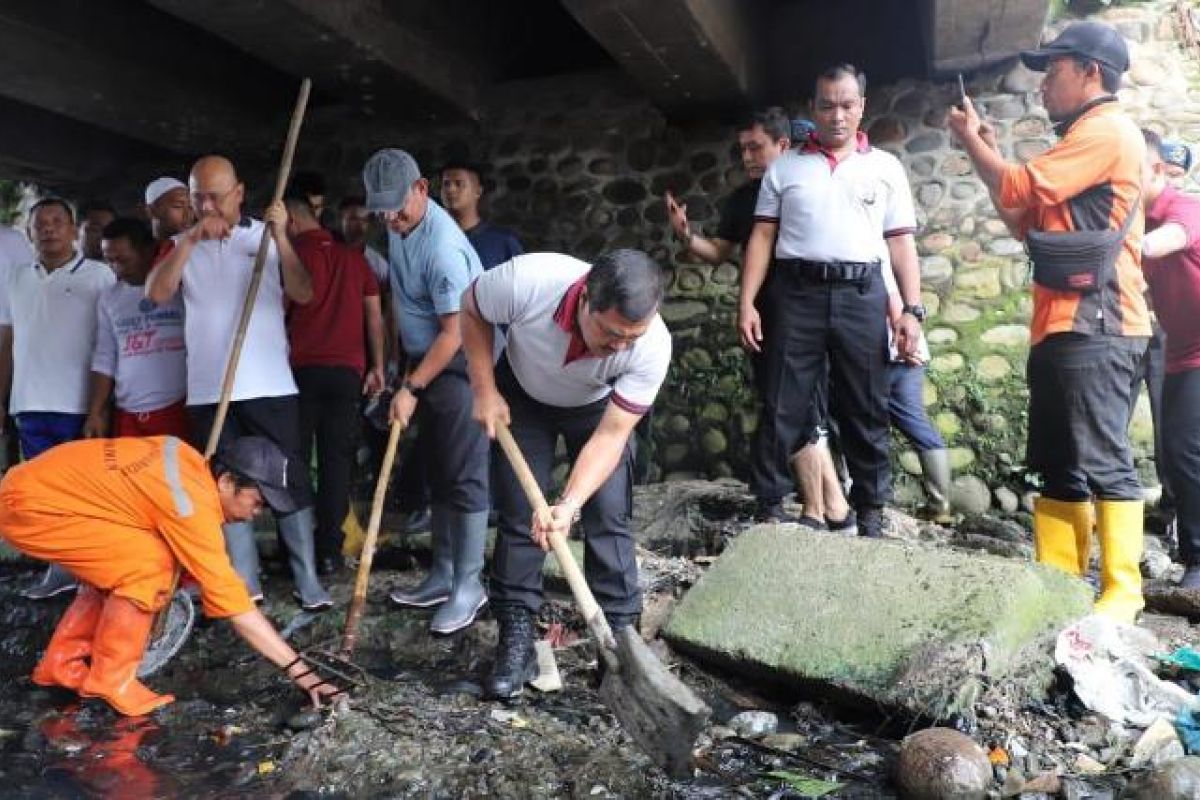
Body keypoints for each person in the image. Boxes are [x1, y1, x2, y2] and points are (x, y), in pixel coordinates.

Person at [948, 21, 1149, 623]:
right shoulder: (1079, 142)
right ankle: (1061, 582)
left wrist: (971, 142)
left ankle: (1123, 592)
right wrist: (980, 145)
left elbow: (1014, 182)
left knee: (1107, 459)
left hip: (1100, 324)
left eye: (1052, 70)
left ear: (1089, 71)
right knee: (1060, 461)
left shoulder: (1106, 131)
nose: (1041, 85)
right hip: (1062, 326)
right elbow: (1017, 212)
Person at [0, 435, 344, 716]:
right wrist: (302, 673)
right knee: (148, 566)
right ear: (226, 482)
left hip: (34, 490)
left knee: (125, 562)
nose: (256, 515)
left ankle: (61, 664)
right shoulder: (190, 506)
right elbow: (237, 605)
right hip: (32, 508)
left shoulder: (186, 461)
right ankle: (111, 680)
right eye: (257, 503)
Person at [462, 249, 671, 699]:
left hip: (597, 408)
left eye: (630, 338)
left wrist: (569, 504)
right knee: (520, 516)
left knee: (609, 514)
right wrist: (484, 388)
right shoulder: (527, 281)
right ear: (585, 300)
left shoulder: (653, 345)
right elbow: (471, 307)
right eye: (611, 333)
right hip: (521, 394)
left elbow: (612, 437)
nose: (619, 346)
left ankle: (620, 640)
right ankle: (516, 636)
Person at [740, 64, 925, 539]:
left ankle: (871, 512)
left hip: (861, 294)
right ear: (813, 108)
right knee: (783, 399)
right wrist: (747, 303)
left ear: (862, 106)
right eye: (827, 105)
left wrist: (911, 309)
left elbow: (901, 244)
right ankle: (769, 504)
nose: (837, 115)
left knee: (865, 404)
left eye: (847, 104)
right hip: (795, 292)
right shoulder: (785, 168)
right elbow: (762, 237)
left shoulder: (885, 168)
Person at [146, 155, 331, 611]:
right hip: (210, 390)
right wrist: (190, 238)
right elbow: (155, 293)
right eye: (198, 197)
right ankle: (245, 585)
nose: (207, 205)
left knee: (287, 481)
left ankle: (307, 580)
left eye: (216, 196)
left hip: (270, 385)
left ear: (240, 193)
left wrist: (282, 238)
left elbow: (304, 293)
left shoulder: (263, 237)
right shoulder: (179, 244)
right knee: (223, 486)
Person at [363, 148, 489, 635]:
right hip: (424, 360)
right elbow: (400, 297)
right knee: (438, 470)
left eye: (398, 206)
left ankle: (469, 585)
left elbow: (456, 334)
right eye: (382, 209)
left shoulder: (442, 247)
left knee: (464, 475)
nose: (389, 218)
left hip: (464, 364)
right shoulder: (400, 228)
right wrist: (398, 366)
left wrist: (412, 387)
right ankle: (441, 575)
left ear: (422, 189)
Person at [0, 197, 116, 599]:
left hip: (78, 404)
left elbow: (110, 340)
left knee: (85, 491)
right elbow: (8, 337)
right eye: (40, 224)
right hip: (29, 402)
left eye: (56, 222)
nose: (48, 229)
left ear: (72, 229)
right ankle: (60, 570)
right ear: (30, 233)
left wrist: (101, 406)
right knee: (45, 495)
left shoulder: (99, 276)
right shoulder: (16, 277)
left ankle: (95, 572)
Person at [284, 193, 386, 575]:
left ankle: (296, 551)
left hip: (300, 371)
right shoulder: (355, 259)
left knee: (294, 461)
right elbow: (374, 318)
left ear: (292, 223)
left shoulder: (293, 257)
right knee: (336, 463)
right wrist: (377, 366)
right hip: (347, 373)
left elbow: (278, 310)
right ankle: (330, 549)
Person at [1140, 128, 1200, 590]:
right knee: (1179, 454)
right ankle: (1195, 558)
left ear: (1157, 171)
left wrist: (1117, 245)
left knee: (1186, 451)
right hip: (1182, 353)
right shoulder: (1138, 220)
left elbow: (1167, 241)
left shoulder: (1183, 208)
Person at [84, 218, 187, 440]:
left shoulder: (179, 290)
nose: (116, 268)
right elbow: (104, 358)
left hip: (177, 406)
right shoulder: (109, 298)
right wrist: (95, 412)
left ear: (148, 251)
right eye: (109, 261)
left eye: (123, 260)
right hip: (127, 411)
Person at [439, 161, 523, 270]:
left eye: (459, 184)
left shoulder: (503, 242)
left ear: (478, 191)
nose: (450, 190)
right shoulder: (430, 239)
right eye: (446, 184)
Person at [143, 177, 193, 244]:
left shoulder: (197, 249)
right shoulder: (138, 250)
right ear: (151, 211)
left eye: (191, 207)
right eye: (178, 206)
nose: (188, 215)